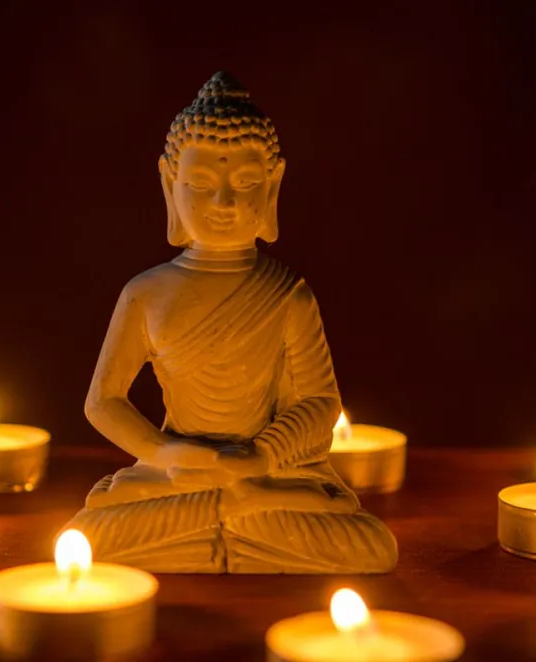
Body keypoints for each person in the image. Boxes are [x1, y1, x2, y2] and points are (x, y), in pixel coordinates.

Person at [64, 72, 398, 573]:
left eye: (245, 184)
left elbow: (321, 402)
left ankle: (220, 524)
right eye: (200, 184)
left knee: (369, 547)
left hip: (269, 477)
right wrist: (167, 452)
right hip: (181, 474)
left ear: (273, 186)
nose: (224, 203)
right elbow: (103, 403)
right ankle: (228, 521)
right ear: (168, 185)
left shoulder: (289, 295)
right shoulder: (145, 293)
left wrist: (262, 457)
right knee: (86, 534)